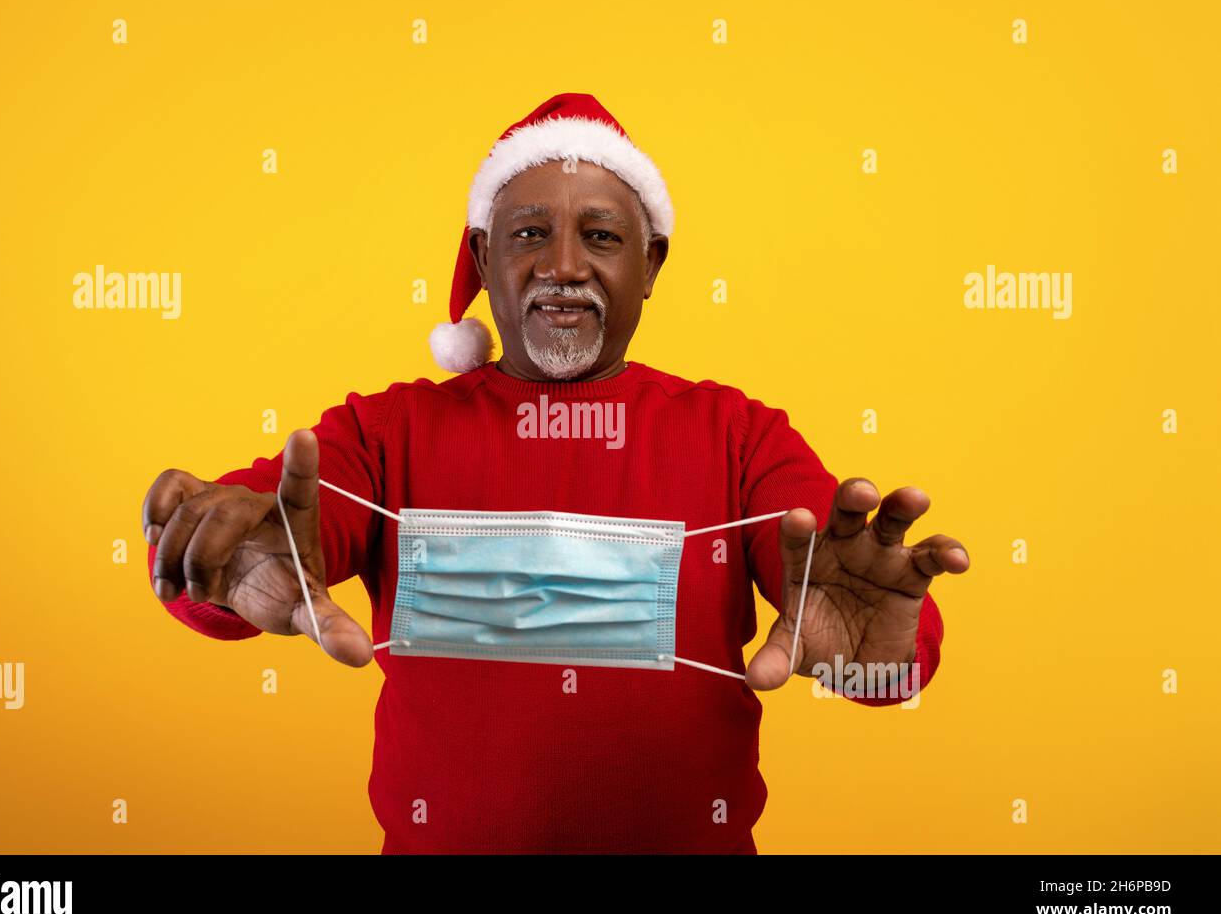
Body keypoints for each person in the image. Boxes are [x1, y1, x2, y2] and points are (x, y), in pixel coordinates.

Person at [141, 93, 970, 854]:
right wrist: (214, 559)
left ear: (650, 265)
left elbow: (867, 634)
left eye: (602, 236)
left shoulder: (738, 435)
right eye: (531, 233)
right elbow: (250, 543)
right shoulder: (385, 432)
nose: (564, 264)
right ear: (483, 253)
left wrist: (884, 654)